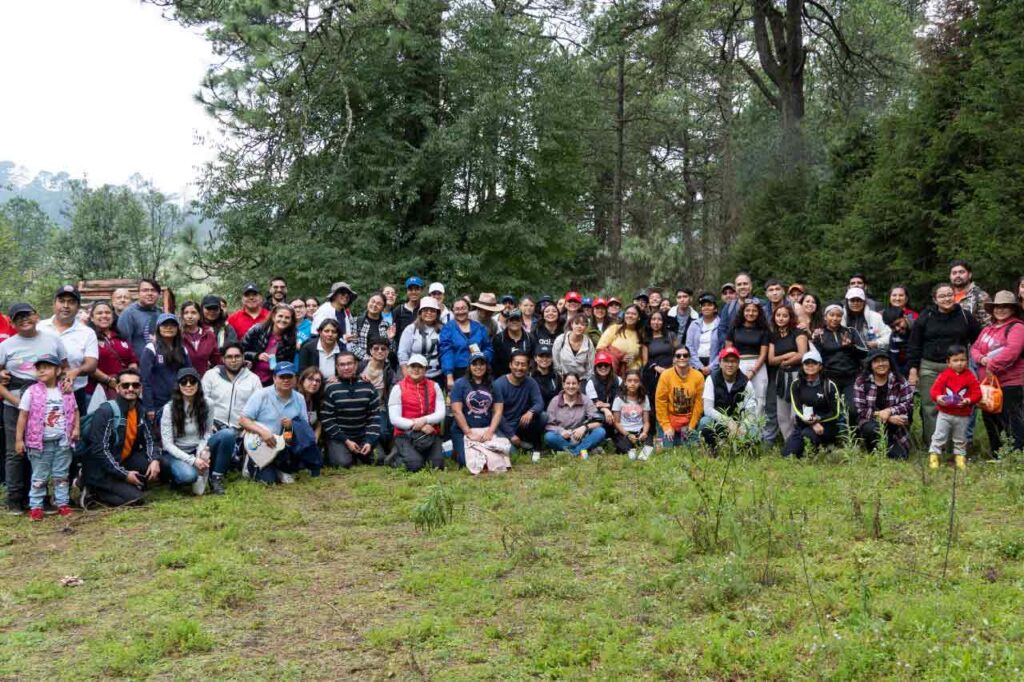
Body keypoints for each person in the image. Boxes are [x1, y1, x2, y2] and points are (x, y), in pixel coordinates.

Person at [908, 283, 981, 446]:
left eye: (949, 294)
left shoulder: (964, 315)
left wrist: (979, 361)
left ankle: (955, 446)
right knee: (931, 407)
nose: (946, 298)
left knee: (958, 407)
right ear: (935, 299)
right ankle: (934, 446)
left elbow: (979, 340)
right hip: (930, 367)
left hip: (959, 369)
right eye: (942, 296)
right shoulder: (926, 316)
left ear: (955, 295)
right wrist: (913, 370)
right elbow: (914, 344)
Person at [80, 368, 160, 507]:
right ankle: (92, 489)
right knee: (136, 500)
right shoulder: (106, 411)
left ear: (140, 388)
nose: (130, 389)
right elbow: (100, 450)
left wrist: (154, 460)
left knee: (160, 464)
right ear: (117, 388)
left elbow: (150, 439)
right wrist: (124, 475)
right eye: (125, 385)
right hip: (100, 467)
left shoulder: (140, 410)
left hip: (122, 459)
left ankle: (125, 484)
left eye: (135, 385)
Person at [15, 354, 78, 520]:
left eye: (47, 367)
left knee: (61, 474)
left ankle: (62, 503)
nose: (42, 370)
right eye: (39, 368)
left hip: (63, 441)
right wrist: (19, 440)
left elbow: (75, 410)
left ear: (58, 370)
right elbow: (23, 416)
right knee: (39, 475)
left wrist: (76, 428)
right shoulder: (31, 391)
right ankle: (36, 506)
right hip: (39, 443)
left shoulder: (66, 390)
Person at [238, 362, 320, 484]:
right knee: (268, 481)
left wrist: (290, 426)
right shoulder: (261, 394)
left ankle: (284, 468)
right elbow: (243, 420)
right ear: (274, 378)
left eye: (289, 377)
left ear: (295, 378)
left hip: (285, 442)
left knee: (298, 425)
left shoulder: (299, 398)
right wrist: (263, 432)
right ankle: (251, 463)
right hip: (263, 442)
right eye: (282, 377)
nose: (286, 380)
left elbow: (304, 426)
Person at [202, 342, 263, 495]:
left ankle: (233, 466)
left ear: (243, 358)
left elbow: (260, 408)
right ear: (223, 359)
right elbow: (201, 404)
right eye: (229, 357)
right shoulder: (211, 375)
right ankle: (216, 478)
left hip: (241, 429)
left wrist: (249, 427)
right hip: (214, 427)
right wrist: (208, 424)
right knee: (226, 436)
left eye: (237, 356)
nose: (233, 360)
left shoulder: (253, 379)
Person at [971, 291, 1024, 454]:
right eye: (997, 307)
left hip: (1010, 384)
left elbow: (1012, 352)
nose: (1000, 310)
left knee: (1011, 422)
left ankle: (1016, 455)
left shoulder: (1018, 327)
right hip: (988, 386)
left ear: (1013, 309)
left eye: (1005, 307)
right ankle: (997, 453)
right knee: (991, 420)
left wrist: (991, 365)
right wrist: (982, 359)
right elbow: (974, 348)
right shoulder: (988, 329)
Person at [38, 285, 98, 415]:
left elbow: (92, 364)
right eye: (62, 301)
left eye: (71, 302)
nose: (66, 305)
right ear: (54, 304)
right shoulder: (39, 328)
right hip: (40, 393)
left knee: (74, 433)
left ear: (78, 307)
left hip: (75, 393)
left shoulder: (87, 333)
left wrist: (76, 371)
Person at [320, 352, 382, 468]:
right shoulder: (331, 388)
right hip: (340, 437)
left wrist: (369, 441)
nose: (346, 367)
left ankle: (358, 454)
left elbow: (374, 418)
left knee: (379, 459)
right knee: (343, 463)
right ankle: (339, 453)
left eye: (349, 364)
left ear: (356, 365)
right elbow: (327, 419)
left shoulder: (368, 386)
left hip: (362, 435)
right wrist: (346, 441)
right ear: (337, 367)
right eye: (342, 365)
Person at [387, 354, 446, 472]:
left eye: (420, 366)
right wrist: (418, 425)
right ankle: (394, 456)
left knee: (437, 465)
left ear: (426, 369)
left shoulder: (434, 386)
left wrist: (424, 420)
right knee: (415, 465)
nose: (416, 369)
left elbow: (441, 413)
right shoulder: (398, 388)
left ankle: (418, 455)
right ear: (407, 368)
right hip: (405, 434)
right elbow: (394, 419)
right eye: (413, 366)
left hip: (429, 433)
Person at [159, 368, 214, 494]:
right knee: (189, 476)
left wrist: (202, 451)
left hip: (198, 447)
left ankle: (216, 477)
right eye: (184, 382)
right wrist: (193, 461)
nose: (188, 385)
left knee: (225, 435)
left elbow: (208, 432)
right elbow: (167, 444)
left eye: (192, 381)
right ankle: (173, 478)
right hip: (175, 452)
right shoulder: (169, 408)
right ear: (178, 386)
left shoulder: (208, 404)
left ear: (198, 384)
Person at [928, 345, 981, 470]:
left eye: (962, 360)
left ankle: (960, 458)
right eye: (955, 361)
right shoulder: (944, 375)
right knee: (939, 436)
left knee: (960, 438)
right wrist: (939, 397)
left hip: (962, 415)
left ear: (967, 360)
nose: (960, 363)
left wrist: (968, 400)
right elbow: (934, 391)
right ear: (948, 362)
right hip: (945, 413)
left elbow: (977, 393)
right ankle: (934, 457)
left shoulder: (970, 376)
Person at [853, 350, 914, 460]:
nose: (881, 364)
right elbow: (861, 410)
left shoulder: (900, 380)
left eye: (884, 360)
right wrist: (886, 416)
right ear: (871, 365)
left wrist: (890, 411)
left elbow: (908, 404)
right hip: (871, 422)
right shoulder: (861, 381)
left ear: (890, 362)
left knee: (902, 457)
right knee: (872, 428)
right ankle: (873, 448)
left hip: (895, 424)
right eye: (876, 361)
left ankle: (889, 445)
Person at [449, 352, 505, 467]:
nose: (478, 367)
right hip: (463, 430)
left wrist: (490, 431)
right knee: (467, 462)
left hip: (486, 429)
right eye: (474, 364)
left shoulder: (494, 385)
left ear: (486, 366)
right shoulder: (459, 384)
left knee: (504, 456)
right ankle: (456, 450)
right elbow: (456, 411)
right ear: (469, 366)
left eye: (481, 364)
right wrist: (469, 432)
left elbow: (498, 411)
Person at [783, 349, 842, 457]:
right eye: (806, 363)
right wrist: (812, 422)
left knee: (808, 436)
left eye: (814, 363)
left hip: (826, 424)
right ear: (802, 365)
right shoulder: (796, 384)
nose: (810, 366)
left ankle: (827, 446)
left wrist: (818, 420)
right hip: (804, 424)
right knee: (788, 454)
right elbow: (797, 409)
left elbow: (836, 412)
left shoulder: (829, 385)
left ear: (820, 366)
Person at [817, 303, 868, 425]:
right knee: (832, 410)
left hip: (851, 377)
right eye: (832, 315)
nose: (835, 318)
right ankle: (835, 439)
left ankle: (853, 436)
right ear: (825, 317)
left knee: (853, 409)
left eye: (838, 315)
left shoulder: (850, 331)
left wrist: (851, 346)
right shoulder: (819, 334)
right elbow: (816, 358)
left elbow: (864, 353)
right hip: (830, 379)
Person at [698, 348, 758, 449]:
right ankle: (712, 449)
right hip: (719, 421)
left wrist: (741, 428)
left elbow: (750, 413)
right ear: (720, 363)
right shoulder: (711, 379)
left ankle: (742, 451)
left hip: (739, 423)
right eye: (726, 361)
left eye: (733, 361)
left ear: (738, 364)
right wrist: (728, 422)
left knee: (753, 428)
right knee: (705, 422)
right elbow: (708, 409)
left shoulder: (746, 383)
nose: (730, 364)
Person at [493, 351, 546, 460]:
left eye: (523, 364)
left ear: (528, 367)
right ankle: (521, 444)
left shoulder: (530, 382)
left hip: (520, 423)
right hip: (503, 425)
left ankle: (530, 443)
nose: (519, 367)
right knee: (513, 454)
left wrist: (531, 411)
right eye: (516, 363)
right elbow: (497, 415)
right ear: (510, 365)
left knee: (543, 416)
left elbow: (539, 402)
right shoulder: (498, 384)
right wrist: (511, 435)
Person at [768, 304, 809, 442]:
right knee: (782, 414)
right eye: (778, 315)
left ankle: (801, 442)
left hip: (797, 375)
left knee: (795, 414)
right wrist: (790, 354)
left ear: (790, 317)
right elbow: (771, 360)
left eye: (785, 315)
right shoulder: (773, 336)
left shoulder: (798, 332)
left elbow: (802, 354)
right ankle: (789, 443)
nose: (781, 318)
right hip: (781, 376)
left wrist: (785, 361)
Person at [140, 313, 192, 421]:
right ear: (158, 328)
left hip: (179, 401)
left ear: (177, 329)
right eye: (164, 325)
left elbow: (189, 375)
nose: (169, 327)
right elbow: (145, 380)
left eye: (172, 325)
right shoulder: (151, 348)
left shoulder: (182, 350)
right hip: (158, 403)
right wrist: (149, 407)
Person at [725, 301, 770, 427]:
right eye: (748, 310)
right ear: (743, 312)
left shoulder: (763, 330)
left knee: (759, 400)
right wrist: (733, 368)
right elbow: (728, 351)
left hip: (758, 366)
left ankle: (756, 434)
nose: (751, 313)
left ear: (759, 313)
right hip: (737, 365)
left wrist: (753, 370)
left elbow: (763, 354)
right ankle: (738, 432)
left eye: (754, 311)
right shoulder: (734, 328)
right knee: (738, 398)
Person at [544, 373, 606, 459]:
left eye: (574, 383)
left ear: (579, 385)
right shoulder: (555, 401)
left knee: (600, 432)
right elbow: (549, 424)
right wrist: (561, 431)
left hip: (582, 437)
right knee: (549, 437)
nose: (571, 386)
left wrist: (584, 427)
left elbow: (598, 421)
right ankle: (584, 450)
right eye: (568, 383)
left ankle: (571, 453)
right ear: (563, 384)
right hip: (564, 438)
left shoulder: (585, 400)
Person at [86, 301, 138, 401]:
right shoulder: (87, 337)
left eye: (107, 312)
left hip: (124, 390)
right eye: (99, 313)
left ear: (113, 316)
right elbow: (88, 365)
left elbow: (132, 360)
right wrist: (109, 381)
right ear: (92, 318)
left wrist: (130, 376)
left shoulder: (120, 336)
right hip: (96, 392)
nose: (104, 315)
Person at [654, 345, 704, 447]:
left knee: (691, 449)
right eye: (678, 355)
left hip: (688, 420)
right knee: (666, 450)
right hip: (669, 419)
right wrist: (666, 426)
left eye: (685, 355)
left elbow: (699, 404)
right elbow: (660, 402)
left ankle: (683, 438)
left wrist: (691, 426)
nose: (682, 358)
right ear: (674, 359)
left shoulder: (698, 376)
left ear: (689, 358)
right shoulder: (665, 375)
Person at [439, 298, 493, 390]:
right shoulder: (447, 328)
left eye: (463, 308)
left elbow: (488, 348)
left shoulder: (480, 327)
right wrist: (449, 375)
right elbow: (446, 351)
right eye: (457, 309)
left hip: (479, 369)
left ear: (469, 309)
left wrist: (483, 356)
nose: (460, 312)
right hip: (457, 372)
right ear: (453, 311)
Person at [358, 338, 397, 456]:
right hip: (360, 406)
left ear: (387, 352)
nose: (379, 351)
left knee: (384, 432)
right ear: (370, 350)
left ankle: (385, 450)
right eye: (376, 348)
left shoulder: (389, 370)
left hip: (380, 407)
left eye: (383, 349)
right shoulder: (360, 367)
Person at [242, 304, 297, 386]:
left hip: (272, 381)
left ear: (291, 321)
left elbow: (287, 362)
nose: (283, 319)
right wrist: (257, 356)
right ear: (273, 317)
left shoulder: (291, 339)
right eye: (280, 316)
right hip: (250, 376)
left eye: (287, 318)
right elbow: (240, 351)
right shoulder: (257, 330)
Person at [398, 297, 443, 381]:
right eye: (425, 310)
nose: (429, 313)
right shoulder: (411, 329)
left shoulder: (443, 329)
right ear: (420, 312)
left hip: (438, 375)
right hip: (415, 375)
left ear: (437, 313)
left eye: (432, 310)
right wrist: (407, 377)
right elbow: (403, 353)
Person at [611, 369, 652, 460]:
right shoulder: (619, 399)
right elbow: (616, 422)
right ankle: (631, 450)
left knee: (649, 444)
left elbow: (646, 422)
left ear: (640, 383)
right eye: (629, 381)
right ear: (625, 382)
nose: (632, 383)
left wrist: (644, 433)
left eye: (636, 381)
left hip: (639, 431)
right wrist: (628, 435)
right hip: (624, 432)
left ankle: (641, 453)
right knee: (624, 447)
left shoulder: (644, 398)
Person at [117, 278, 163, 359]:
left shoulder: (161, 313)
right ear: (138, 293)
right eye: (145, 290)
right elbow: (124, 344)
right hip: (138, 366)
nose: (150, 293)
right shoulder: (129, 314)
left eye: (153, 290)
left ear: (159, 294)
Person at [597, 304, 647, 373]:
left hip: (631, 375)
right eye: (627, 313)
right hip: (612, 372)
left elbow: (641, 359)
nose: (630, 316)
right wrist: (620, 357)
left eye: (634, 314)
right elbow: (600, 348)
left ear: (638, 317)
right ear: (624, 315)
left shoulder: (640, 334)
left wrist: (636, 367)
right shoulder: (615, 328)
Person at [718, 273, 762, 347]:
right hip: (734, 352)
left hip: (756, 350)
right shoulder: (728, 307)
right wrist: (728, 346)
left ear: (751, 286)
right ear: (735, 288)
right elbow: (722, 330)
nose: (742, 287)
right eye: (739, 284)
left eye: (745, 284)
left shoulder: (761, 304)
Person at [643, 310, 678, 402]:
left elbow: (679, 351)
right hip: (653, 373)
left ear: (663, 322)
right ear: (649, 321)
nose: (656, 322)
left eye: (659, 319)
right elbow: (645, 360)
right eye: (653, 319)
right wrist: (655, 367)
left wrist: (673, 367)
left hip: (672, 371)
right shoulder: (646, 337)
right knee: (656, 399)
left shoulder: (671, 335)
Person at [179, 300, 222, 376]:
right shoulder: (177, 335)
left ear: (199, 315)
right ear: (182, 316)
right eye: (186, 313)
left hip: (204, 379)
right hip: (183, 381)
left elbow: (216, 360)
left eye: (193, 312)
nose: (190, 316)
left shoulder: (208, 335)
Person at [685, 293, 722, 377]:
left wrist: (711, 367)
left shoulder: (721, 325)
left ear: (715, 308)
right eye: (703, 305)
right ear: (701, 309)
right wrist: (700, 366)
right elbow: (689, 346)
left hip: (715, 365)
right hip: (695, 365)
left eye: (709, 305)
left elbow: (723, 348)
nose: (706, 307)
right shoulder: (694, 324)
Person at [350, 291, 394, 361]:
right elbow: (351, 345)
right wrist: (368, 359)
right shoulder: (356, 322)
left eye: (379, 304)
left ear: (383, 308)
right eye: (372, 301)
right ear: (368, 303)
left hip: (381, 365)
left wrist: (390, 339)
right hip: (361, 365)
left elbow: (391, 350)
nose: (374, 305)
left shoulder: (386, 325)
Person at [492, 309, 535, 377]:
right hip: (503, 377)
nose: (514, 322)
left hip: (524, 377)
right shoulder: (499, 339)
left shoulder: (530, 338)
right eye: (511, 319)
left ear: (522, 321)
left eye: (517, 319)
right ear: (507, 322)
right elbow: (495, 362)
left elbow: (533, 359)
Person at [553, 313, 596, 380]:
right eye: (576, 323)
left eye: (582, 324)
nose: (579, 326)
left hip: (582, 380)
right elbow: (556, 363)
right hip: (562, 379)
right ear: (571, 325)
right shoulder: (561, 340)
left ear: (586, 327)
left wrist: (584, 381)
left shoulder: (588, 343)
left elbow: (590, 367)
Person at [949, 259, 991, 328]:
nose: (957, 275)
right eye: (954, 273)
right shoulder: (945, 296)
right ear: (950, 276)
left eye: (961, 272)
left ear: (970, 275)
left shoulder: (981, 296)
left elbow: (987, 325)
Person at [585, 351, 621, 424]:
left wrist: (608, 405)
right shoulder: (591, 383)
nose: (603, 367)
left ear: (610, 367)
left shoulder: (618, 380)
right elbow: (595, 404)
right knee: (599, 417)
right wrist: (605, 409)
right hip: (599, 411)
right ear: (595, 367)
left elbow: (623, 400)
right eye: (600, 365)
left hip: (617, 409)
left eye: (606, 365)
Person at [882, 307, 913, 377]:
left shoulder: (918, 328)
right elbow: (894, 359)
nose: (897, 329)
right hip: (904, 364)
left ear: (904, 316)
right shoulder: (894, 336)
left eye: (898, 324)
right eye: (892, 327)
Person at [297, 367, 324, 442]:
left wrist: (315, 438)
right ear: (302, 381)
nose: (314, 383)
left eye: (318, 381)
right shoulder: (294, 399)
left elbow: (318, 423)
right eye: (310, 379)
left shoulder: (316, 400)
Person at [393, 276, 424, 342]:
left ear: (421, 290)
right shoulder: (399, 310)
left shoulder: (424, 309)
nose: (413, 292)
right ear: (407, 291)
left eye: (416, 289)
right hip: (402, 349)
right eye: (410, 289)